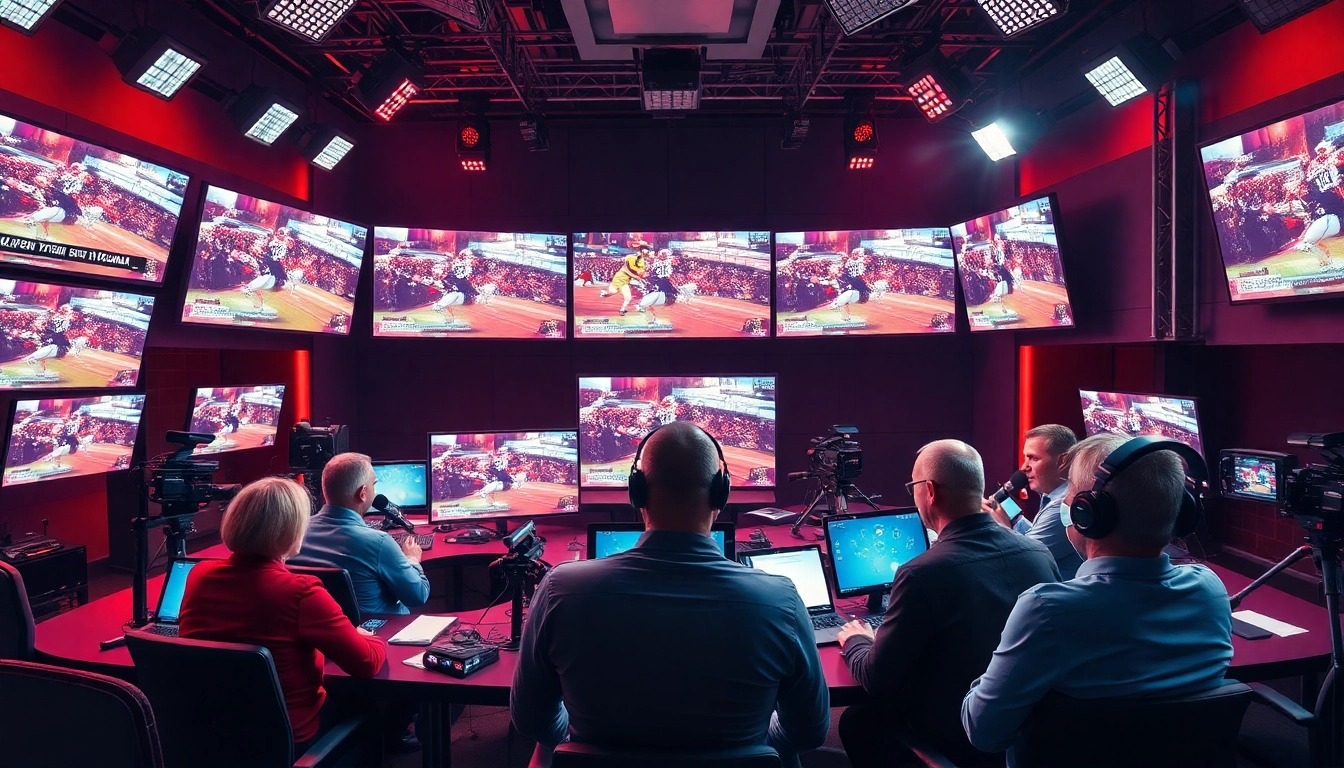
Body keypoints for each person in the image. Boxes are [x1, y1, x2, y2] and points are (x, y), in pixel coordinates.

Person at [511, 422, 829, 768]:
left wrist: (572, 740)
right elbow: (808, 732)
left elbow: (531, 721)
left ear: (637, 494)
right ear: (721, 495)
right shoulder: (779, 600)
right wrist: (757, 743)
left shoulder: (560, 589)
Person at [961, 433, 1234, 759]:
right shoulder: (1211, 590)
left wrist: (995, 666)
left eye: (1071, 490)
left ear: (1088, 511)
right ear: (1182, 512)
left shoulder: (1045, 612)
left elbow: (984, 733)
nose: (1065, 501)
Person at [836, 439, 1059, 768]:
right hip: (1028, 735)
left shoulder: (921, 574)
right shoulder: (1040, 555)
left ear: (929, 491)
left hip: (960, 740)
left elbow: (877, 680)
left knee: (856, 720)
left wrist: (857, 640)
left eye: (913, 486)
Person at [178, 477, 387, 748]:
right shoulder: (301, 591)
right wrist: (368, 637)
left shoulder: (199, 574)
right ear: (288, 530)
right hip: (290, 738)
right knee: (369, 710)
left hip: (212, 734)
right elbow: (366, 663)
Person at [292, 452, 430, 616]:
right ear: (363, 493)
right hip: (381, 633)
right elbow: (418, 596)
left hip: (317, 633)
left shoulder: (295, 531)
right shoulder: (379, 542)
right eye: (374, 484)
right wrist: (412, 560)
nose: (375, 490)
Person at [986, 424, 1082, 579]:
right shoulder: (1052, 496)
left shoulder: (1062, 505)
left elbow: (1022, 559)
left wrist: (1002, 526)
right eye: (1026, 458)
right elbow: (1032, 539)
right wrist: (1011, 515)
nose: (1024, 467)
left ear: (1062, 460)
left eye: (1034, 458)